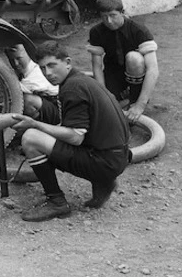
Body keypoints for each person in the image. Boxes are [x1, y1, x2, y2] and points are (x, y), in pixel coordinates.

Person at [11, 41, 130, 222]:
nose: (47, 73)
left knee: (30, 139)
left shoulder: (73, 88)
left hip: (105, 161)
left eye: (52, 65)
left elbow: (75, 137)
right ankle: (103, 182)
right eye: (42, 68)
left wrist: (34, 125)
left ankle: (57, 201)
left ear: (67, 62)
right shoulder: (80, 80)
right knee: (45, 138)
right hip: (116, 156)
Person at [87, 0, 159, 123]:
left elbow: (153, 70)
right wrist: (104, 96)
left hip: (136, 72)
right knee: (104, 105)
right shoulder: (96, 32)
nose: (108, 21)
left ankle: (135, 99)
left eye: (113, 15)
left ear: (122, 12)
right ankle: (123, 97)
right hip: (113, 72)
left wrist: (140, 105)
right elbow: (97, 66)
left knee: (133, 58)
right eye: (104, 17)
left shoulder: (139, 30)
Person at [6, 43, 60, 123]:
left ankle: (38, 127)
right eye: (11, 59)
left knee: (27, 100)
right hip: (44, 102)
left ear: (29, 54)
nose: (15, 63)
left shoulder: (36, 71)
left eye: (19, 58)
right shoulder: (22, 72)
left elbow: (14, 89)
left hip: (58, 108)